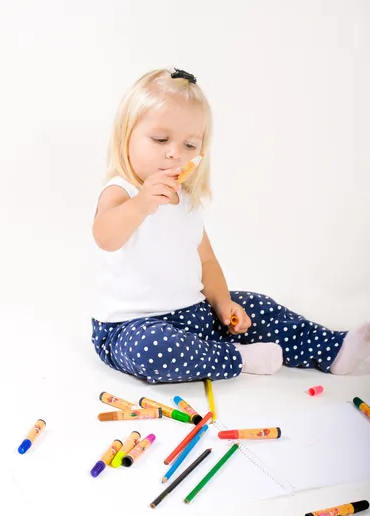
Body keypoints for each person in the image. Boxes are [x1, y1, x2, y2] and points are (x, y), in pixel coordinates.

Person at [91, 67, 370, 384]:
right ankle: (236, 357)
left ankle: (333, 349)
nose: (174, 154)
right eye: (160, 139)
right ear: (126, 134)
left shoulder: (184, 200)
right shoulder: (121, 191)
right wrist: (140, 204)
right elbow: (106, 236)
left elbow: (206, 260)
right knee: (158, 350)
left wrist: (223, 303)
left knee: (258, 307)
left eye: (189, 146)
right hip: (130, 328)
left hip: (192, 313)